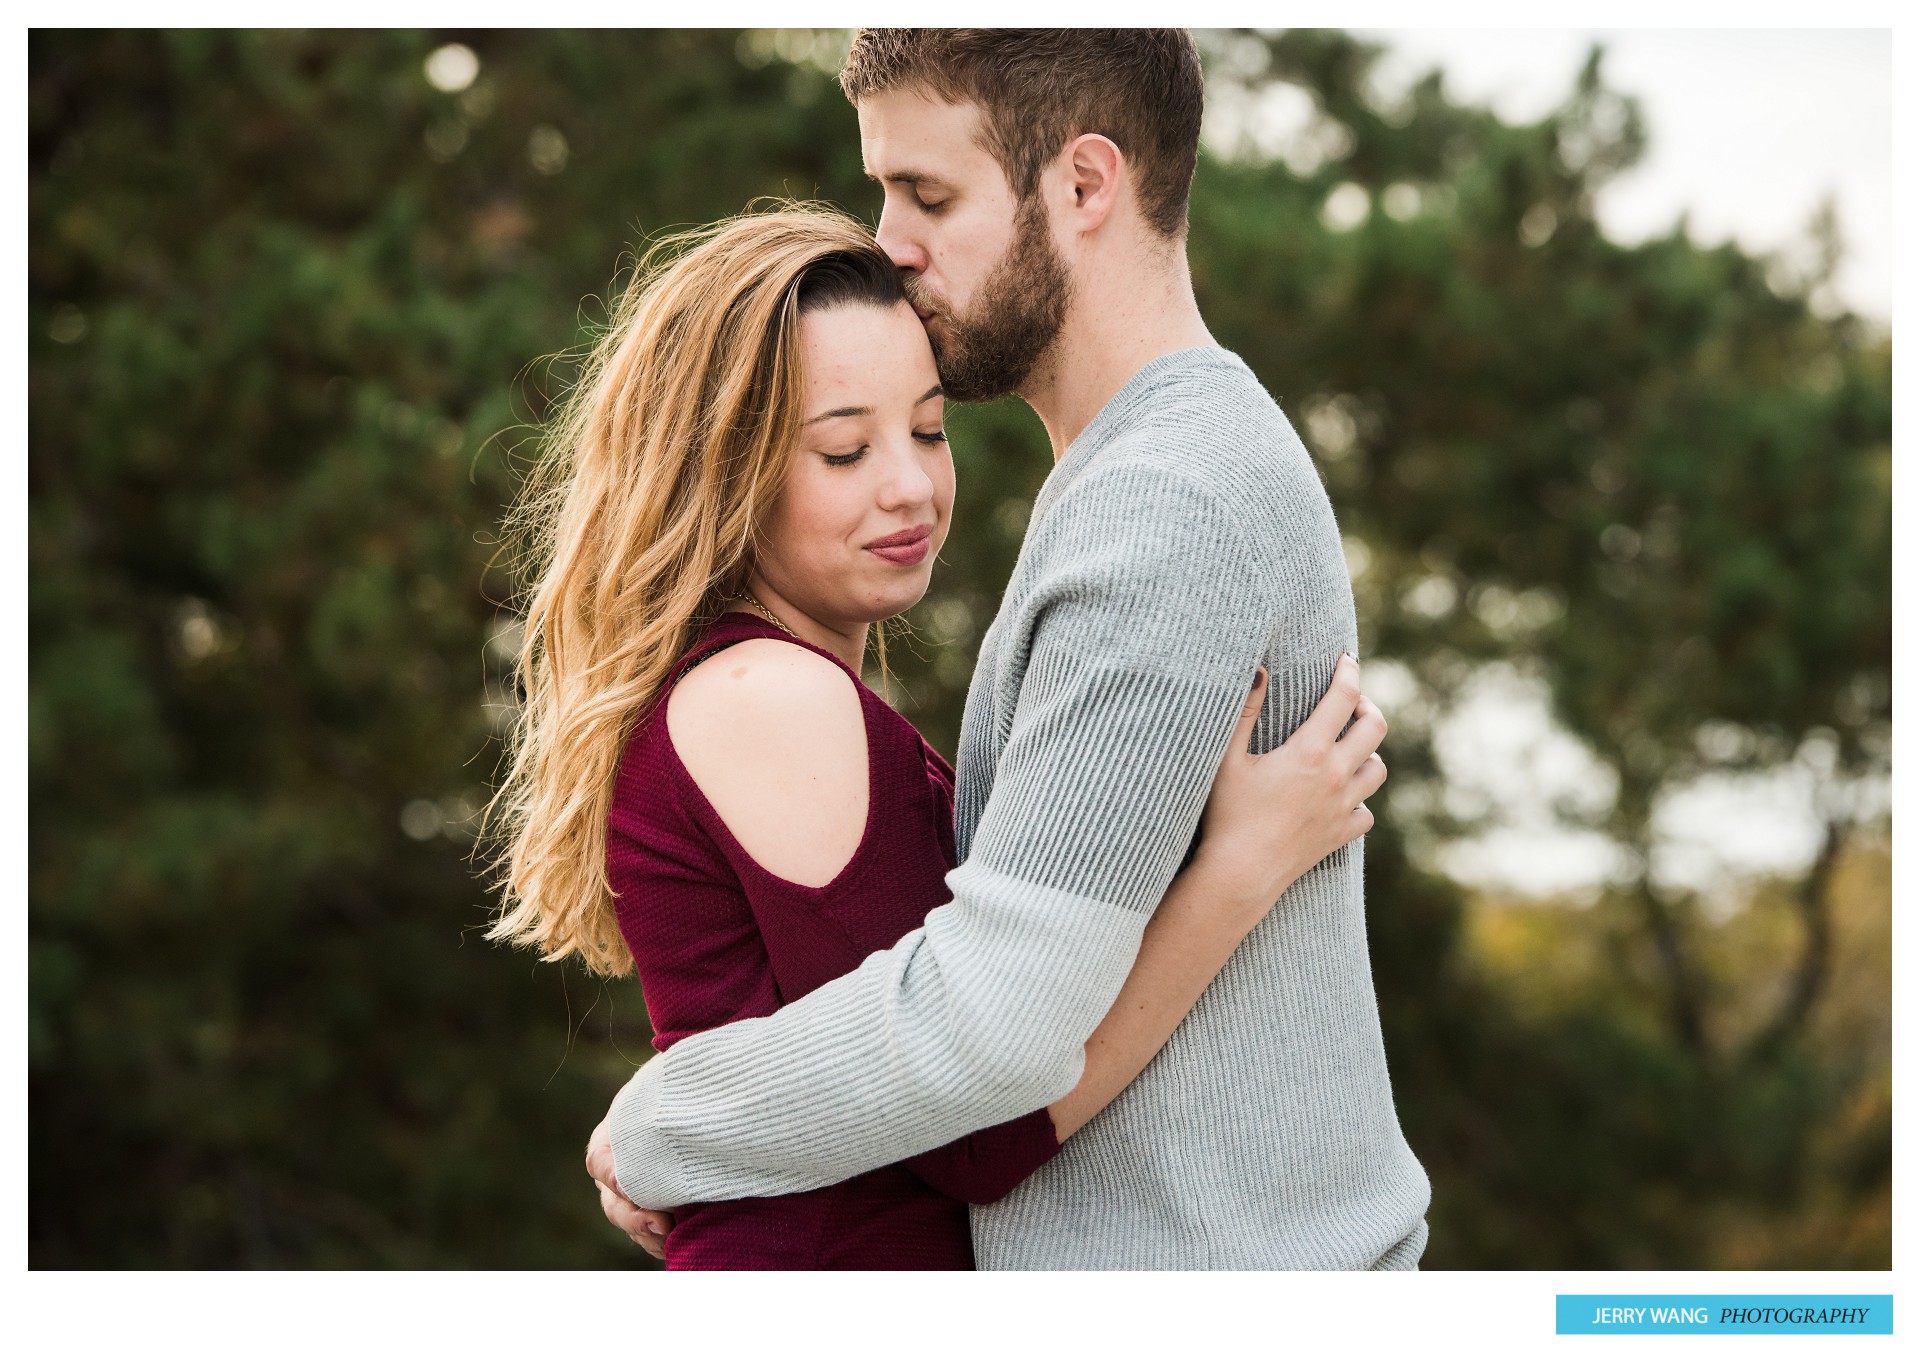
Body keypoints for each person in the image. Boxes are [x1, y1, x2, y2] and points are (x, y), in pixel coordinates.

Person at [586, 29, 1433, 1270]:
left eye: (928, 194)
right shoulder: (1128, 481)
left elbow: (987, 1030)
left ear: (1085, 186)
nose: (889, 242)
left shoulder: (1165, 502)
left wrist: (666, 1118)